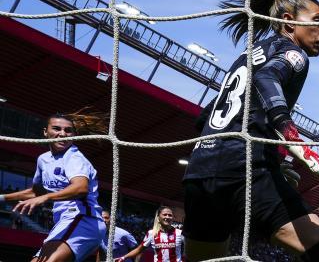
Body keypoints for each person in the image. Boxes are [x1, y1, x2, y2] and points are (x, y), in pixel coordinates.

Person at [181, 0, 319, 261]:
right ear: (289, 22)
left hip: (200, 172)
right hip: (246, 170)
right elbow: (267, 78)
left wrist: (272, 160)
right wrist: (292, 138)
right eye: (318, 21)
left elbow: (205, 116)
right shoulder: (294, 54)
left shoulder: (247, 55)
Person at [0, 112, 107, 262]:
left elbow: (81, 188)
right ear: (46, 132)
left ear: (74, 135)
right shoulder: (43, 159)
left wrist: (46, 197)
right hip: (64, 223)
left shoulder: (74, 157)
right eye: (57, 128)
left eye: (68, 130)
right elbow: (36, 192)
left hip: (83, 220)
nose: (62, 134)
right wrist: (2, 198)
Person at [116, 206, 183, 262]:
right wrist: (123, 257)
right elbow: (139, 249)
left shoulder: (180, 233)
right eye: (164, 214)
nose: (167, 217)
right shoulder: (152, 233)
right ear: (158, 217)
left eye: (170, 215)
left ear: (172, 218)